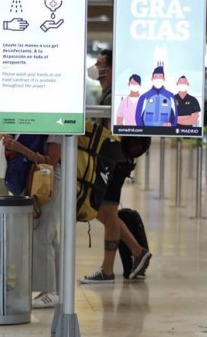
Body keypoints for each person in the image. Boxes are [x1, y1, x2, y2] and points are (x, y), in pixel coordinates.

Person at [79, 50, 152, 283]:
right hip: (116, 160)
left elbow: (112, 133)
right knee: (103, 211)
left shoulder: (112, 97)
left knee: (106, 212)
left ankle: (111, 268)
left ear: (108, 69)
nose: (95, 66)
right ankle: (136, 252)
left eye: (99, 63)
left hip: (114, 161)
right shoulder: (108, 94)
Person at [0, 134, 61, 308]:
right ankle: (58, 289)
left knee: (41, 235)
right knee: (50, 237)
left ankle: (48, 290)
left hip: (47, 181)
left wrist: (21, 149)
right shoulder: (30, 124)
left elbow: (50, 162)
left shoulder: (57, 128)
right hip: (34, 179)